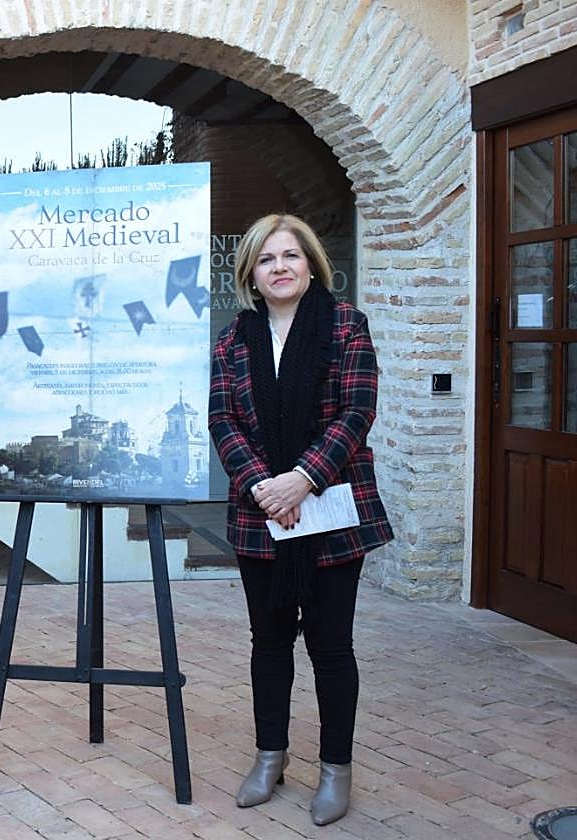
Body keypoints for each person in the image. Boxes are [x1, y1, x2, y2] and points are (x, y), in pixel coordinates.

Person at [207, 213, 392, 826]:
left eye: (290, 255)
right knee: (268, 643)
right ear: (250, 274)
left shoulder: (346, 326)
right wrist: (264, 486)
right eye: (266, 259)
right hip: (262, 514)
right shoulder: (233, 339)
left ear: (311, 263)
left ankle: (336, 768)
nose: (279, 267)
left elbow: (356, 411)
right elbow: (221, 420)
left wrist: (303, 478)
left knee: (331, 646)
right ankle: (271, 755)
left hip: (331, 510)